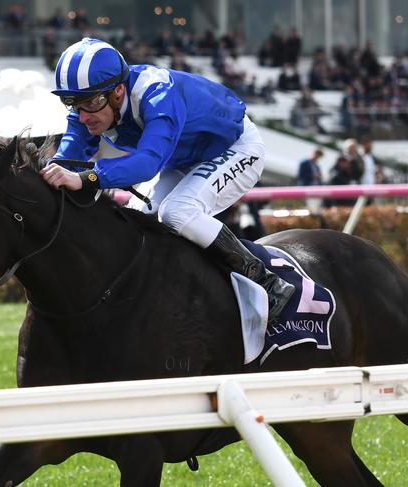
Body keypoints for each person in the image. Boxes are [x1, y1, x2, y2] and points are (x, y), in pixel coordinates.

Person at [41, 38, 294, 320]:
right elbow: (69, 158)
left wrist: (88, 178)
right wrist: (47, 175)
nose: (84, 116)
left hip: (235, 147)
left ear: (118, 91)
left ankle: (267, 282)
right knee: (135, 219)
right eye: (73, 104)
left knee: (178, 211)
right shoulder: (89, 105)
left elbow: (148, 162)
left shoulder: (157, 93)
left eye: (92, 103)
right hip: (183, 159)